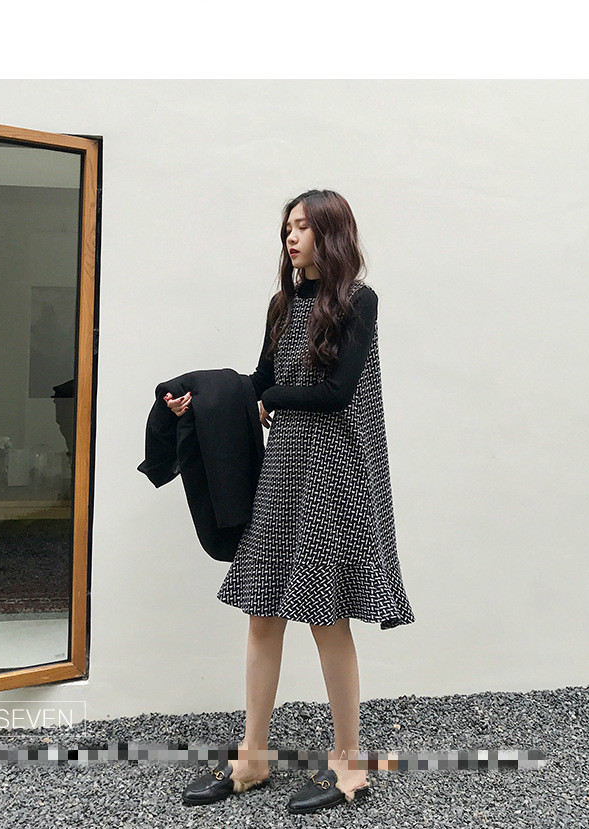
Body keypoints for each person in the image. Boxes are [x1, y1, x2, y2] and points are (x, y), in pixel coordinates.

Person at [170, 189, 415, 814]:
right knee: (261, 614)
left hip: (335, 473)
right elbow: (260, 381)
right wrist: (202, 398)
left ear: (330, 234)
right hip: (282, 473)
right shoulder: (283, 305)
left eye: (303, 226)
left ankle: (349, 765)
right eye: (287, 228)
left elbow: (336, 392)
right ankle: (252, 757)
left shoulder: (358, 302)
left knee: (326, 619)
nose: (292, 236)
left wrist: (271, 399)